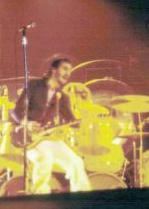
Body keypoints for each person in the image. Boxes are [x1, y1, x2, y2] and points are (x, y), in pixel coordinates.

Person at [12, 58, 91, 194]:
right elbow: (15, 112)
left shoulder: (63, 97)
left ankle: (83, 196)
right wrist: (28, 123)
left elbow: (72, 121)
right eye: (65, 68)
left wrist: (84, 117)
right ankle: (40, 195)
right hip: (27, 138)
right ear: (53, 70)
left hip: (48, 139)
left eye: (70, 70)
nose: (68, 73)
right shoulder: (34, 85)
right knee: (45, 157)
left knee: (76, 162)